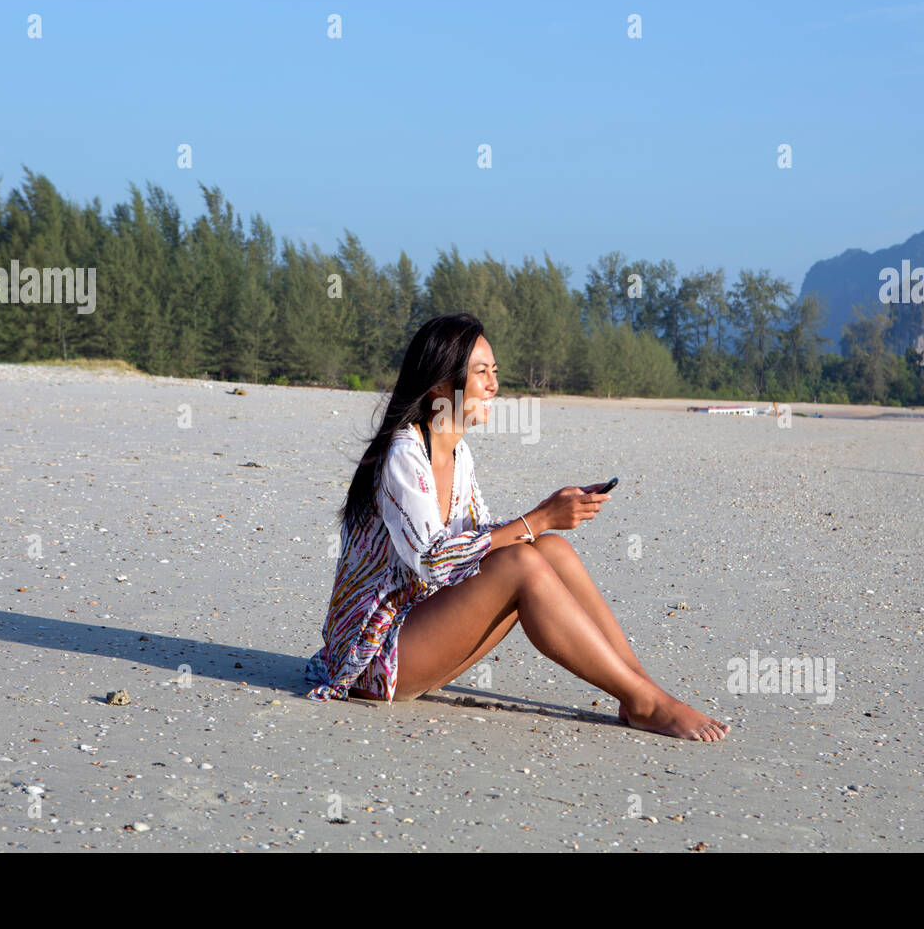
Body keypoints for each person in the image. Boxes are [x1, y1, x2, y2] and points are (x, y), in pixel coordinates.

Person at [303, 312, 730, 742]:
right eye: (481, 372)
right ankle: (644, 702)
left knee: (549, 548)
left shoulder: (458, 453)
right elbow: (434, 561)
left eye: (495, 372)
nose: (493, 385)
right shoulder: (404, 453)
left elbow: (480, 538)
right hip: (370, 658)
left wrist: (550, 515)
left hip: (421, 632)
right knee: (524, 560)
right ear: (439, 384)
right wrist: (539, 516)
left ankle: (639, 687)